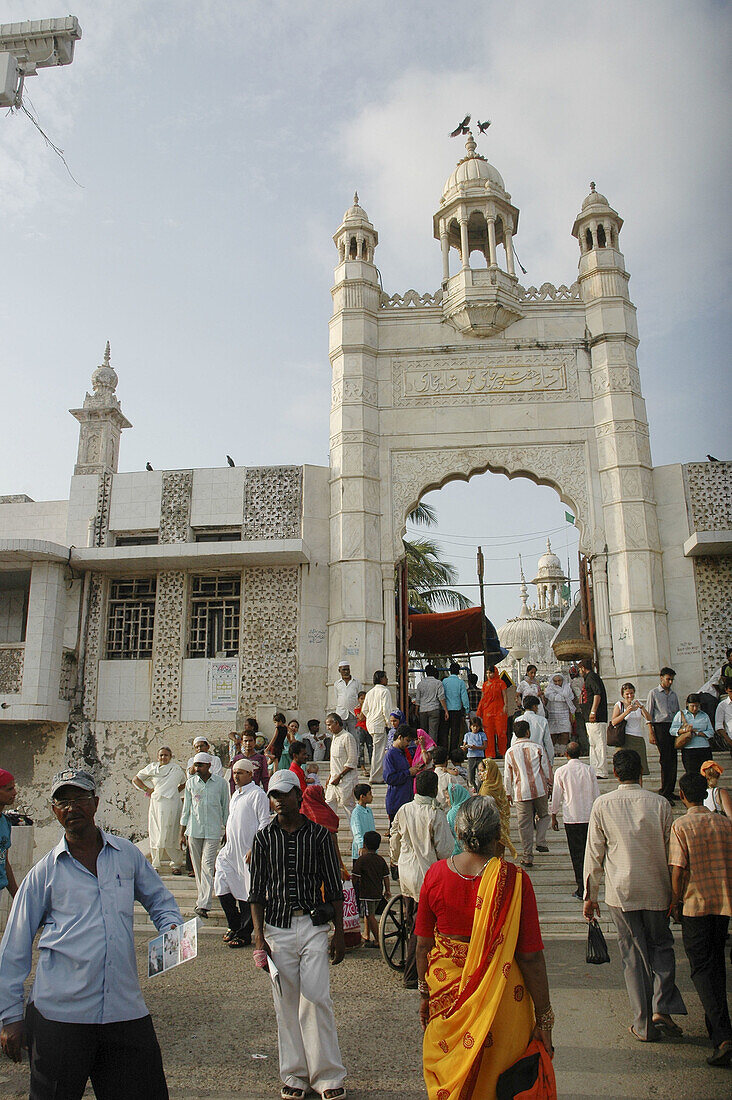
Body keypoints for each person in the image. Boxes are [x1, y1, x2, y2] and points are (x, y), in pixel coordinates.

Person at [0, 768, 181, 1098]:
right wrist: (10, 1017)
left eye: (80, 799)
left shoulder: (126, 855)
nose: (72, 808)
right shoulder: (44, 873)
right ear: (54, 810)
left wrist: (170, 926)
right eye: (62, 802)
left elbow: (160, 898)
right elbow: (14, 946)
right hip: (60, 1018)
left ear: (95, 803)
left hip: (124, 1011)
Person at [416, 796, 554, 1100]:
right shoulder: (515, 881)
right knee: (497, 1085)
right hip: (501, 1001)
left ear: (458, 833)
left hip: (446, 996)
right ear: (497, 835)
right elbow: (530, 957)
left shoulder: (436, 875)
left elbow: (423, 945)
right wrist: (544, 1018)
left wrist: (425, 994)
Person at [249, 769, 347, 1100]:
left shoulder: (319, 836)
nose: (277, 801)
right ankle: (294, 1074)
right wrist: (259, 935)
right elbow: (256, 891)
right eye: (273, 795)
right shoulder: (263, 838)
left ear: (298, 796)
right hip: (277, 927)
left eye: (282, 794)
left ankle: (328, 1076)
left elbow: (334, 885)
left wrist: (340, 933)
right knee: (286, 1003)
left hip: (313, 925)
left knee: (317, 997)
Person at [583, 748, 687, 1042]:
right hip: (657, 887)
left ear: (615, 773)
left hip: (621, 893)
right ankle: (661, 1006)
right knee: (662, 946)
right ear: (642, 772)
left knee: (632, 955)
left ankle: (643, 1024)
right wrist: (677, 895)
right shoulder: (660, 804)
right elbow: (672, 853)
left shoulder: (603, 804)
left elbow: (594, 855)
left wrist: (590, 896)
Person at [668, 771, 732, 1067]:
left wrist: (674, 900)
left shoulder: (681, 825)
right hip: (722, 903)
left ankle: (722, 1035)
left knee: (701, 969)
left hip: (695, 905)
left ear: (682, 796)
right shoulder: (724, 823)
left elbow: (679, 869)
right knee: (716, 962)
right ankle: (716, 1027)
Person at [390, 770, 454, 988]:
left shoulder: (404, 809)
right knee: (422, 926)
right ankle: (412, 974)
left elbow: (395, 838)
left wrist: (394, 860)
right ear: (435, 789)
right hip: (427, 874)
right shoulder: (435, 814)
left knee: (411, 918)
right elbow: (445, 849)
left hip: (406, 871)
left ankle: (412, 960)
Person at [214, 757, 271, 947]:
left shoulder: (257, 794)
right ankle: (234, 925)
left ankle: (245, 933)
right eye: (234, 772)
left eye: (239, 773)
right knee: (221, 886)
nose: (235, 776)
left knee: (247, 892)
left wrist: (255, 848)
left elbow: (264, 823)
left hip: (247, 851)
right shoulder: (236, 794)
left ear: (250, 774)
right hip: (230, 851)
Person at [179, 753, 230, 918]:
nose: (197, 768)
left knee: (208, 865)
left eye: (200, 765)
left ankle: (203, 904)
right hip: (194, 830)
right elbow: (186, 808)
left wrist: (227, 829)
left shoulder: (221, 784)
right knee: (198, 866)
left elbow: (225, 808)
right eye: (196, 765)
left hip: (213, 830)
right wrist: (182, 832)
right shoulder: (191, 783)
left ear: (209, 765)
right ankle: (202, 899)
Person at [550, 742, 600, 899]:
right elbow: (596, 794)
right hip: (588, 816)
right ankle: (588, 885)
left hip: (572, 818)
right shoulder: (589, 770)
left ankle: (582, 886)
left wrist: (553, 814)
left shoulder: (562, 771)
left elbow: (556, 795)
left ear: (566, 754)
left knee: (576, 854)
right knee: (588, 853)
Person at [504, 719, 552, 867]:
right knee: (544, 815)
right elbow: (546, 768)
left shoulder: (510, 752)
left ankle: (527, 856)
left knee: (524, 825)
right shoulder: (537, 748)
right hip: (539, 788)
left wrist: (508, 792)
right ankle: (541, 840)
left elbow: (507, 775)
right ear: (528, 732)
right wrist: (550, 784)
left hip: (520, 792)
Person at [133, 747, 186, 874]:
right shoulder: (152, 768)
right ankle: (155, 864)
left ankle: (176, 864)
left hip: (173, 804)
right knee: (157, 832)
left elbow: (184, 783)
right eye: (161, 755)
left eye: (166, 755)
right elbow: (136, 779)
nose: (163, 757)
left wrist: (174, 793)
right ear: (158, 757)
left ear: (171, 756)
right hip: (157, 804)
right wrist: (148, 789)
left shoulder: (176, 769)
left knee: (172, 832)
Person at [646, 667, 680, 802]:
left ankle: (670, 789)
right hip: (660, 726)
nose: (670, 682)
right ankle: (664, 791)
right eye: (668, 679)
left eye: (672, 679)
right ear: (661, 678)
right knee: (665, 759)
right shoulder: (653, 693)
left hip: (672, 726)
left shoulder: (673, 695)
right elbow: (648, 715)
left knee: (673, 759)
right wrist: (651, 732)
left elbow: (677, 713)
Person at [351, 831, 390, 947]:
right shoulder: (380, 860)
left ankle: (379, 940)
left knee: (369, 915)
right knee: (369, 913)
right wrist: (387, 890)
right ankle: (366, 934)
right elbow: (386, 877)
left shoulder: (362, 860)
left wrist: (352, 888)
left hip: (366, 893)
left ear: (364, 844)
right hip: (378, 892)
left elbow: (355, 877)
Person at [478, 758, 518, 859]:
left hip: (490, 831)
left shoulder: (486, 789)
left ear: (490, 771)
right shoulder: (497, 786)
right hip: (500, 829)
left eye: (482, 771)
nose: (479, 774)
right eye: (479, 771)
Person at [609, 683, 652, 775]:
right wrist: (627, 712)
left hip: (638, 738)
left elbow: (649, 718)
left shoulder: (638, 703)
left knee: (640, 768)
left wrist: (642, 708)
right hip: (625, 738)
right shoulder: (619, 705)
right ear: (623, 695)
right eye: (627, 694)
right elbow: (614, 722)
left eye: (631, 693)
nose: (630, 696)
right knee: (625, 767)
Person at [670, 694, 715, 777]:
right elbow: (672, 730)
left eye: (697, 706)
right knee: (691, 774)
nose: (695, 708)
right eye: (692, 706)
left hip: (704, 748)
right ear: (687, 704)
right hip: (689, 749)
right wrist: (684, 730)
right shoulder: (681, 715)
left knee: (706, 774)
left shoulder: (704, 715)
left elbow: (711, 732)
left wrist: (698, 733)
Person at [578, 657, 608, 780]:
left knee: (599, 744)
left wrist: (593, 711)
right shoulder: (589, 678)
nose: (579, 672)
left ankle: (601, 770)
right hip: (590, 718)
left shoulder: (592, 678)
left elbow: (597, 694)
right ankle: (595, 769)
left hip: (596, 717)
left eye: (580, 669)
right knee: (594, 744)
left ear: (583, 668)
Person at [384, 725, 420, 822]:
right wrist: (408, 772)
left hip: (407, 801)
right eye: (407, 740)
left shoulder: (403, 752)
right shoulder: (390, 755)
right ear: (400, 737)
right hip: (396, 802)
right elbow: (389, 778)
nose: (408, 744)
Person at [324, 711, 358, 815]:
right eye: (327, 725)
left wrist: (339, 777)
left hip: (345, 780)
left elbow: (352, 761)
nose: (328, 728)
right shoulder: (334, 738)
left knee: (348, 808)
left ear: (337, 723)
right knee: (329, 805)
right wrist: (330, 777)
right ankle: (330, 831)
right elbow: (335, 761)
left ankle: (356, 831)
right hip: (334, 780)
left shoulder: (347, 737)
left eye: (329, 725)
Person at [362, 670, 392, 784]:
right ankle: (376, 777)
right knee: (378, 752)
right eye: (385, 677)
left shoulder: (370, 692)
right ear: (381, 679)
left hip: (371, 724)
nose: (387, 679)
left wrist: (371, 717)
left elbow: (364, 710)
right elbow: (386, 710)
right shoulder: (385, 691)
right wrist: (389, 724)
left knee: (377, 750)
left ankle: (377, 775)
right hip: (379, 725)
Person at [477, 665, 508, 758]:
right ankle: (490, 754)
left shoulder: (501, 683)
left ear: (495, 673)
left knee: (501, 733)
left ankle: (503, 752)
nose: (489, 675)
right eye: (487, 673)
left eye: (490, 673)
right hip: (487, 711)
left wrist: (506, 705)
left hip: (499, 711)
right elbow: (483, 698)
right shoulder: (485, 684)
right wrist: (480, 709)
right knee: (488, 734)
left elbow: (505, 695)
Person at [414, 665, 448, 744]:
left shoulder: (420, 684)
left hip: (422, 710)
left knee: (423, 733)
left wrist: (416, 711)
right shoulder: (438, 683)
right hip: (434, 709)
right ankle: (432, 751)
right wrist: (446, 710)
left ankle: (423, 751)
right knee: (433, 732)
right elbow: (441, 698)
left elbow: (417, 699)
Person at [442, 662, 470, 754]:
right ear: (458, 671)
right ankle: (453, 752)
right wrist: (466, 709)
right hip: (456, 710)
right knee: (455, 732)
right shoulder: (460, 683)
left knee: (445, 732)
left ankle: (445, 751)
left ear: (450, 671)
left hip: (445, 710)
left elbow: (441, 696)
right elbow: (464, 698)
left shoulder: (444, 682)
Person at [544, 670, 575, 747]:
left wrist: (571, 714)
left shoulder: (567, 688)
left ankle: (563, 749)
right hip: (552, 714)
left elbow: (570, 698)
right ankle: (554, 750)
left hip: (564, 713)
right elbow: (550, 697)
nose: (557, 683)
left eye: (559, 681)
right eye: (555, 681)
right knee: (552, 734)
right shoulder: (549, 689)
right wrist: (562, 697)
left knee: (565, 732)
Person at [0, 769, 18, 901]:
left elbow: (4, 861)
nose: (14, 792)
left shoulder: (5, 822)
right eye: (9, 789)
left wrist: (17, 896)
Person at [521, 695, 555, 768]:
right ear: (534, 706)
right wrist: (550, 760)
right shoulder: (542, 720)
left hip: (522, 755)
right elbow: (547, 741)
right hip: (538, 755)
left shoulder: (518, 720)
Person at [334, 658, 361, 736]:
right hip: (341, 714)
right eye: (344, 670)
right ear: (339, 670)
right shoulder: (337, 684)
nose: (346, 672)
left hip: (353, 714)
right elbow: (337, 697)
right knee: (340, 736)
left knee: (355, 737)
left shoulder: (356, 682)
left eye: (347, 669)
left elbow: (360, 697)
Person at [350, 782, 375, 861]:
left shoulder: (369, 810)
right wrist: (361, 846)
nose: (372, 796)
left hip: (371, 848)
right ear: (362, 797)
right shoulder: (356, 812)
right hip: (361, 850)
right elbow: (357, 831)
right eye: (369, 794)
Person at [446, 782, 472, 855]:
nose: (446, 801)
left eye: (448, 798)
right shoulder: (471, 808)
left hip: (457, 853)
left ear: (455, 797)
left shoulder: (451, 814)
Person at [461, 716, 487, 789]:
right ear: (471, 726)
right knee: (470, 776)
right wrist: (465, 747)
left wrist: (476, 747)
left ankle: (479, 789)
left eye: (477, 726)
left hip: (480, 757)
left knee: (481, 775)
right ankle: (475, 788)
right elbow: (464, 747)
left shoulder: (482, 734)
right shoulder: (467, 735)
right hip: (471, 757)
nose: (475, 728)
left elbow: (485, 746)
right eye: (474, 726)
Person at [411, 726, 436, 791]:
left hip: (427, 777)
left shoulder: (430, 747)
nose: (416, 742)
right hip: (419, 777)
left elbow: (426, 760)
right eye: (414, 740)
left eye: (417, 739)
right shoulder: (417, 749)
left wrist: (422, 746)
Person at [714, 678, 732, 753]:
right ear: (726, 690)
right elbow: (719, 726)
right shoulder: (722, 705)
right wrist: (729, 741)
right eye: (731, 691)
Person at [354, 690, 370, 769]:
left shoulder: (370, 707)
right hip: (360, 728)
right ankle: (362, 765)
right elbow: (360, 718)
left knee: (370, 747)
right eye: (361, 698)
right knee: (361, 747)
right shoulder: (357, 709)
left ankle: (372, 765)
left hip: (368, 728)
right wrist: (363, 708)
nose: (363, 700)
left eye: (365, 699)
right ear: (358, 699)